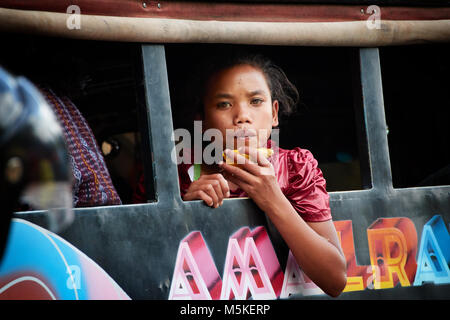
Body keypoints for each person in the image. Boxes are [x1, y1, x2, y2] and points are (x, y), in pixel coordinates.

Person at [135, 52, 347, 297]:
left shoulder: (295, 168)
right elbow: (144, 269)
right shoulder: (174, 177)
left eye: (256, 101)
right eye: (224, 104)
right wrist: (186, 212)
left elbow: (335, 280)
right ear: (201, 119)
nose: (242, 117)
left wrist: (273, 198)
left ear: (275, 113)